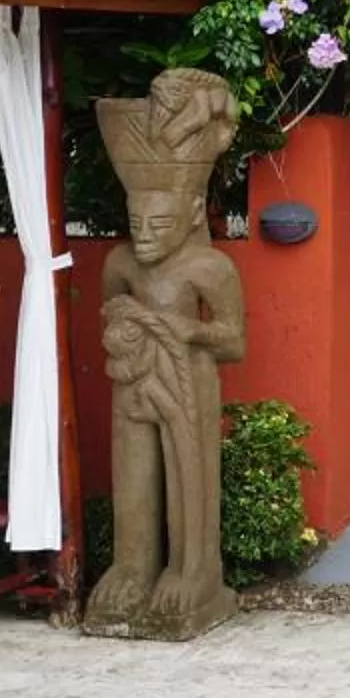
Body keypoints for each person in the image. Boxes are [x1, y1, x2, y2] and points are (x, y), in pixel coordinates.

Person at [88, 69, 246, 638]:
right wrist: (124, 330)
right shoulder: (120, 263)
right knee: (132, 471)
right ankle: (131, 567)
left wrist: (187, 331)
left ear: (192, 212)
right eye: (135, 223)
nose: (145, 235)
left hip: (188, 381)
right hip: (132, 378)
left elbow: (234, 341)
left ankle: (192, 570)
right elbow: (108, 312)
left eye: (158, 223)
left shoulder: (209, 268)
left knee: (188, 472)